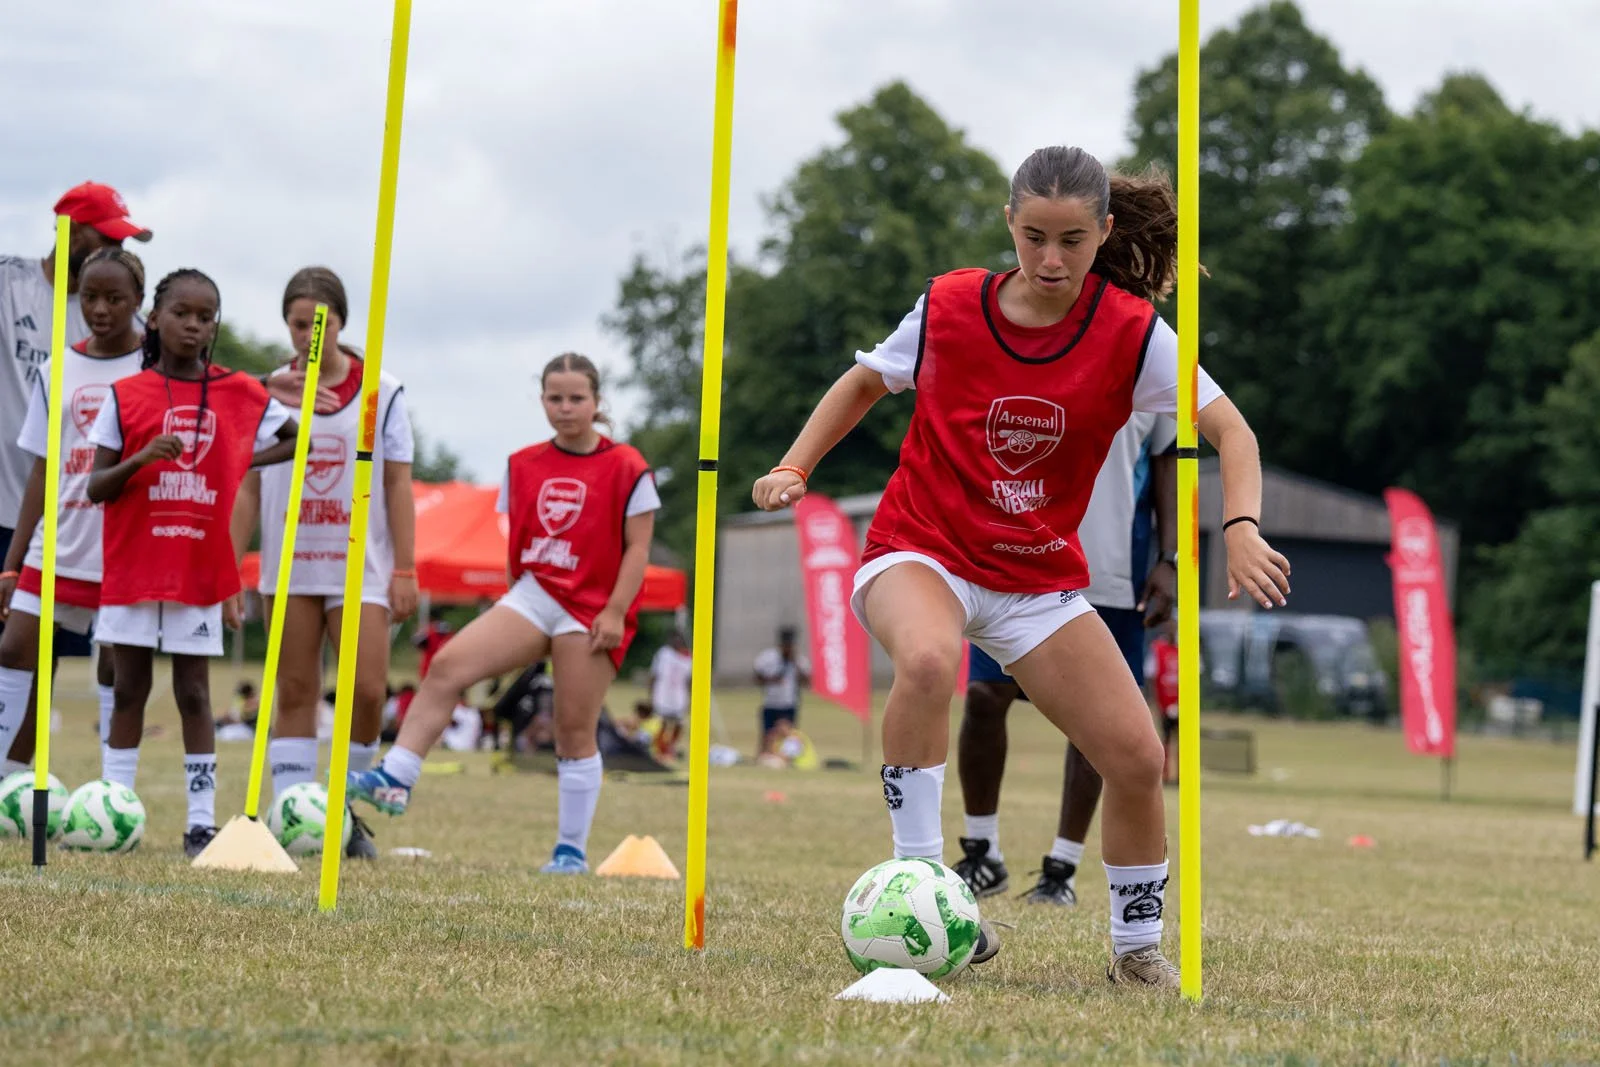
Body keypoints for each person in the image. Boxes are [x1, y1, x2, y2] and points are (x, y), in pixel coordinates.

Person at [751, 146, 1290, 988]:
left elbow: (1235, 433)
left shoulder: (1133, 333)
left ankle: (1135, 946)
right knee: (928, 662)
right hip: (920, 547)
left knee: (1138, 756)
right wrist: (795, 465)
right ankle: (925, 890)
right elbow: (864, 382)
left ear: (1105, 231)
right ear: (1008, 221)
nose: (1050, 259)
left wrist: (1245, 525)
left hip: (1036, 581)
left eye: (1073, 240)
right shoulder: (949, 304)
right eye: (1033, 235)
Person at [350, 353, 659, 875]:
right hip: (536, 593)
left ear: (597, 402)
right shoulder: (522, 463)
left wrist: (614, 611)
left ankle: (570, 851)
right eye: (555, 398)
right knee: (448, 666)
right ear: (541, 400)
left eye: (577, 398)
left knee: (572, 729)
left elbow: (638, 548)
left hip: (593, 606)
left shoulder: (627, 465)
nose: (565, 409)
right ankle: (398, 774)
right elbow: (517, 536)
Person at [85, 268, 296, 857]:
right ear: (155, 318)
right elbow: (96, 486)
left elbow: (295, 435)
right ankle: (113, 813)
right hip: (134, 564)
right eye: (183, 313)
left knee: (196, 695)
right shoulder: (127, 395)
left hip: (199, 568)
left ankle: (201, 822)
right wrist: (141, 458)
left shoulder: (236, 391)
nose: (194, 325)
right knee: (128, 688)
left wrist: (238, 458)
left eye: (206, 316)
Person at [231, 267, 417, 861]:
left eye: (320, 324)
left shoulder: (381, 391)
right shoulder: (265, 392)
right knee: (295, 689)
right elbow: (248, 487)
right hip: (289, 564)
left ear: (340, 322)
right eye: (296, 324)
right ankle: (294, 817)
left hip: (359, 564)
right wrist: (228, 566)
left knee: (365, 691)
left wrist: (406, 568)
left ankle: (344, 810)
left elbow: (397, 483)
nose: (309, 335)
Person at [953, 411, 1177, 906]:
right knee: (985, 695)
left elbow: (1168, 461)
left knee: (1098, 720)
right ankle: (981, 852)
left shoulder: (1148, 351)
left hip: (1113, 568)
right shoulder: (1027, 338)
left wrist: (1170, 558)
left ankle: (1063, 868)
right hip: (1020, 556)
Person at [0, 247, 148, 774]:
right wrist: (12, 562)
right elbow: (42, 469)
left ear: (138, 302)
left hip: (119, 543)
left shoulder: (152, 366)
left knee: (116, 665)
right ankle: (7, 781)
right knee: (15, 647)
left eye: (114, 298)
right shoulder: (57, 366)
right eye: (90, 297)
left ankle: (114, 792)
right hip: (57, 537)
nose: (100, 309)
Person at [0, 183, 151, 580]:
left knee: (61, 644)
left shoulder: (129, 325)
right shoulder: (8, 283)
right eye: (109, 237)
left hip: (68, 525)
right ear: (69, 229)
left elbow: (186, 380)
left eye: (122, 242)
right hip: (2, 503)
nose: (118, 250)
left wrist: (265, 385)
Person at [753, 628, 810, 757]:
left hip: (788, 704)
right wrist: (772, 680)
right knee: (767, 734)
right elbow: (757, 677)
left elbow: (806, 681)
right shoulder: (768, 658)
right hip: (771, 702)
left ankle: (787, 757)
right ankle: (764, 756)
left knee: (787, 734)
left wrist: (795, 664)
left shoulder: (798, 661)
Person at [648, 631, 691, 758]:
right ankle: (659, 749)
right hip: (662, 694)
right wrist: (650, 695)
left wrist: (691, 698)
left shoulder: (687, 657)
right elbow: (654, 674)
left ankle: (670, 746)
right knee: (661, 723)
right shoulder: (664, 654)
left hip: (679, 695)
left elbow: (690, 679)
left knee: (679, 723)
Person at [1149, 621, 1180, 785]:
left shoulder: (1187, 647)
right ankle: (1165, 775)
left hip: (1183, 703)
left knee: (1183, 742)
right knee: (1165, 741)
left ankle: (1182, 775)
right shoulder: (1158, 649)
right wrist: (1156, 703)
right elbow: (1152, 677)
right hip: (1164, 702)